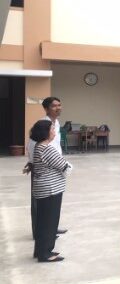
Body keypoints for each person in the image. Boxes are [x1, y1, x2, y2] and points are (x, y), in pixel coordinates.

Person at [29, 119, 72, 262]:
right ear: (45, 132)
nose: (54, 132)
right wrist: (68, 166)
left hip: (43, 189)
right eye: (52, 130)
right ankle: (46, 253)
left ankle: (40, 250)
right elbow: (64, 166)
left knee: (43, 222)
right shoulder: (47, 148)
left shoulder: (39, 146)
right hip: (50, 190)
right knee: (49, 223)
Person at [26, 97, 68, 240]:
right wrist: (32, 162)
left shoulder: (56, 123)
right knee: (41, 203)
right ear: (46, 109)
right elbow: (32, 143)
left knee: (54, 202)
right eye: (54, 106)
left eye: (59, 105)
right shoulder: (43, 124)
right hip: (43, 168)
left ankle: (51, 229)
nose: (58, 108)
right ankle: (39, 232)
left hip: (55, 166)